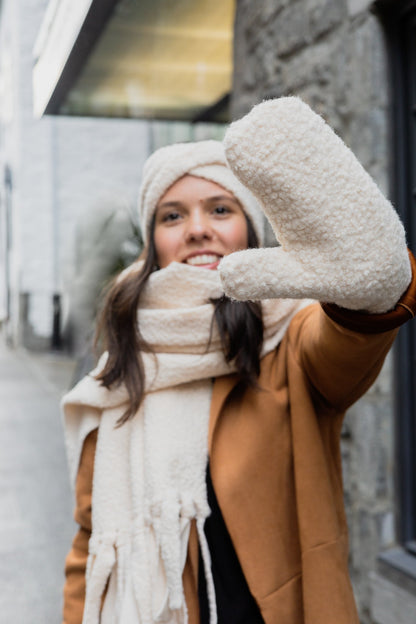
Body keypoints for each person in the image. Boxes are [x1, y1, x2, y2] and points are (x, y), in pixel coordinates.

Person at [61, 97, 416, 624]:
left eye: (220, 209)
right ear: (153, 243)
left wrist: (372, 284)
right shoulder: (121, 366)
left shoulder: (291, 340)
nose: (197, 228)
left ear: (252, 231)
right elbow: (91, 545)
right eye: (172, 215)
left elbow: (348, 341)